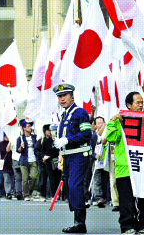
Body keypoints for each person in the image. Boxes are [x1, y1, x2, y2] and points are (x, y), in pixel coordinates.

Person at [107, 92, 144, 235]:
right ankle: (127, 226)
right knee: (126, 200)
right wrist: (113, 121)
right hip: (125, 167)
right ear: (129, 105)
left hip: (142, 167)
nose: (140, 105)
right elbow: (111, 137)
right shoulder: (120, 121)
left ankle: (141, 225)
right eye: (137, 102)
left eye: (142, 102)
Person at [53, 83, 92, 234]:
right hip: (69, 155)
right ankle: (77, 220)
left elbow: (86, 134)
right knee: (70, 187)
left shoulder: (79, 113)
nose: (62, 99)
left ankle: (80, 223)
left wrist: (68, 140)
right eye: (59, 96)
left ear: (72, 96)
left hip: (79, 155)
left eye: (64, 96)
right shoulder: (65, 114)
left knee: (75, 186)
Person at [17, 119, 40, 201]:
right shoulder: (20, 138)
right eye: (28, 126)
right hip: (24, 160)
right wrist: (21, 147)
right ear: (24, 128)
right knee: (25, 179)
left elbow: (37, 147)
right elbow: (18, 150)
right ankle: (26, 194)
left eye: (31, 126)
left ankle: (29, 191)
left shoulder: (34, 137)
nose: (30, 128)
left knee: (34, 176)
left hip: (33, 159)